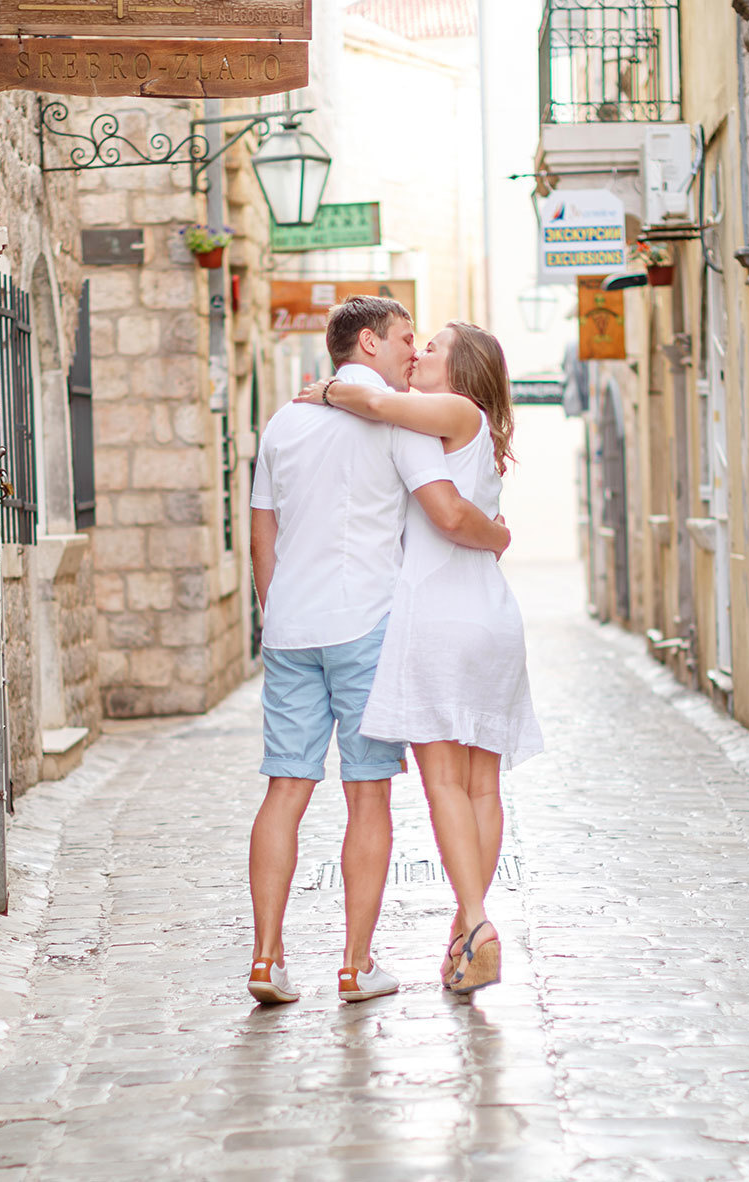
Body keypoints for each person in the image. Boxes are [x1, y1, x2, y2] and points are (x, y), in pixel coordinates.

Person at [246, 297, 511, 1006]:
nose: (410, 351)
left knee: (285, 788)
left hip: (291, 627)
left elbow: (261, 531)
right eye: (401, 339)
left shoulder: (284, 421)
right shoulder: (397, 421)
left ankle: (267, 959)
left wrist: (277, 618)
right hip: (366, 625)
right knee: (369, 799)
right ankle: (356, 965)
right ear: (367, 342)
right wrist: (499, 533)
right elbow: (447, 513)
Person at [295, 322, 542, 995]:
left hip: (438, 615)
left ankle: (476, 921)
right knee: (483, 786)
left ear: (462, 368)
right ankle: (467, 934)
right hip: (488, 614)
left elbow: (448, 514)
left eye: (430, 347)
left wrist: (331, 390)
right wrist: (502, 536)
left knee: (444, 786)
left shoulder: (452, 413)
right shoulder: (473, 427)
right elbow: (475, 522)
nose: (418, 354)